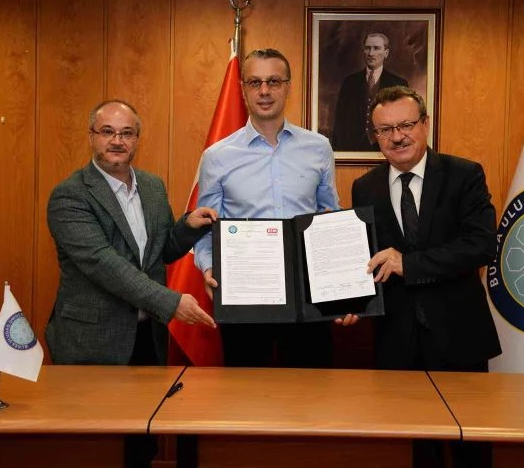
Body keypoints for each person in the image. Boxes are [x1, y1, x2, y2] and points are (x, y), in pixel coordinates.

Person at [351, 86, 500, 467]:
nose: (397, 137)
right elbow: (367, 259)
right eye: (385, 130)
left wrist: (409, 264)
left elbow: (481, 246)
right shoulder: (364, 187)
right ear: (375, 135)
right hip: (397, 341)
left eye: (406, 125)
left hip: (459, 336)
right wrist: (346, 299)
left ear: (426, 124)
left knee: (471, 449)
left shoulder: (464, 175)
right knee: (418, 450)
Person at [194, 48, 340, 368]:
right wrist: (208, 267)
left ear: (288, 87)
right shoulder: (217, 157)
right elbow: (205, 227)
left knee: (312, 388)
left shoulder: (318, 148)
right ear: (242, 89)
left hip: (307, 294)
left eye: (274, 81)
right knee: (246, 390)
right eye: (255, 82)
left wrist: (341, 281)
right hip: (245, 294)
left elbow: (330, 217)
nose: (264, 91)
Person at [46, 99, 217, 368]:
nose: (117, 141)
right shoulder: (70, 195)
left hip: (148, 336)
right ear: (91, 137)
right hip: (92, 342)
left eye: (126, 133)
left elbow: (161, 251)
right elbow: (104, 265)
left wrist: (188, 227)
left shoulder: (152, 186)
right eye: (107, 131)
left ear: (137, 139)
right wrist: (171, 303)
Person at [331, 33, 408, 152]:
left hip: (387, 149)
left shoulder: (399, 83)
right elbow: (339, 122)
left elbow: (404, 123)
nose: (371, 53)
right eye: (367, 48)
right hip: (352, 150)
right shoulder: (349, 82)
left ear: (386, 53)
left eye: (376, 48)